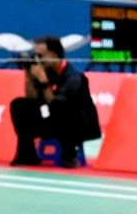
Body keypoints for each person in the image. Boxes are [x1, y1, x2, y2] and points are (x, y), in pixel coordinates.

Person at [9, 36, 101, 167]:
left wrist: (44, 82)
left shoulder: (74, 78)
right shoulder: (46, 70)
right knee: (19, 105)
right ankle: (28, 155)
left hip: (79, 125)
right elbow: (33, 100)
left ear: (54, 55)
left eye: (40, 56)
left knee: (64, 114)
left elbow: (58, 108)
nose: (37, 59)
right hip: (56, 119)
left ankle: (69, 156)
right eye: (35, 55)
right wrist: (29, 75)